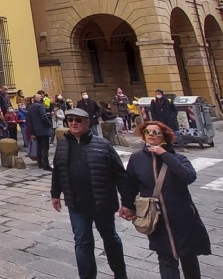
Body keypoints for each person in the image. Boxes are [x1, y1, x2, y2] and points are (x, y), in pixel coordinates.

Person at [50, 108, 134, 279]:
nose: (73, 123)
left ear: (87, 122)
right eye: (70, 120)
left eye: (78, 120)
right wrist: (55, 193)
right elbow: (58, 170)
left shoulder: (102, 144)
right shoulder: (63, 144)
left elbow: (120, 175)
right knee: (82, 241)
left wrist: (127, 202)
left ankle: (120, 274)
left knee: (110, 238)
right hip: (76, 204)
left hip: (102, 203)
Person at [123, 121, 211, 279]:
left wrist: (164, 155)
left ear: (165, 137)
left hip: (182, 217)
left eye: (156, 132)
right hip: (156, 218)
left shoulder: (178, 158)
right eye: (147, 132)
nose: (151, 135)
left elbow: (189, 177)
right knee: (165, 258)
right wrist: (128, 205)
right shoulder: (136, 159)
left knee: (188, 255)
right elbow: (130, 185)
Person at [28, 94, 53, 171]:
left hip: (36, 130)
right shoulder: (40, 106)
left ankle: (40, 163)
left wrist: (32, 131)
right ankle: (46, 165)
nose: (41, 98)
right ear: (37, 98)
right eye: (40, 97)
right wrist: (49, 124)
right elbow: (43, 117)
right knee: (45, 147)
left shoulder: (30, 107)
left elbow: (29, 120)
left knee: (39, 147)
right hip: (43, 129)